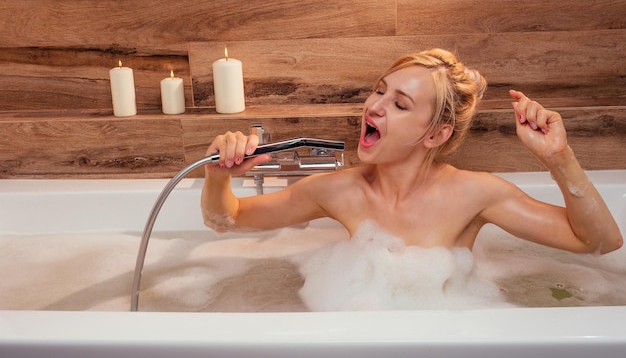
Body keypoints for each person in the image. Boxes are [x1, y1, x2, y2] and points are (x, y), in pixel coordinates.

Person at [201, 48, 622, 254]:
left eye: (400, 105)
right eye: (379, 91)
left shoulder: (475, 194)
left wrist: (558, 159)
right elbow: (228, 220)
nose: (375, 106)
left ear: (436, 135)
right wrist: (218, 174)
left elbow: (600, 243)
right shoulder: (337, 191)